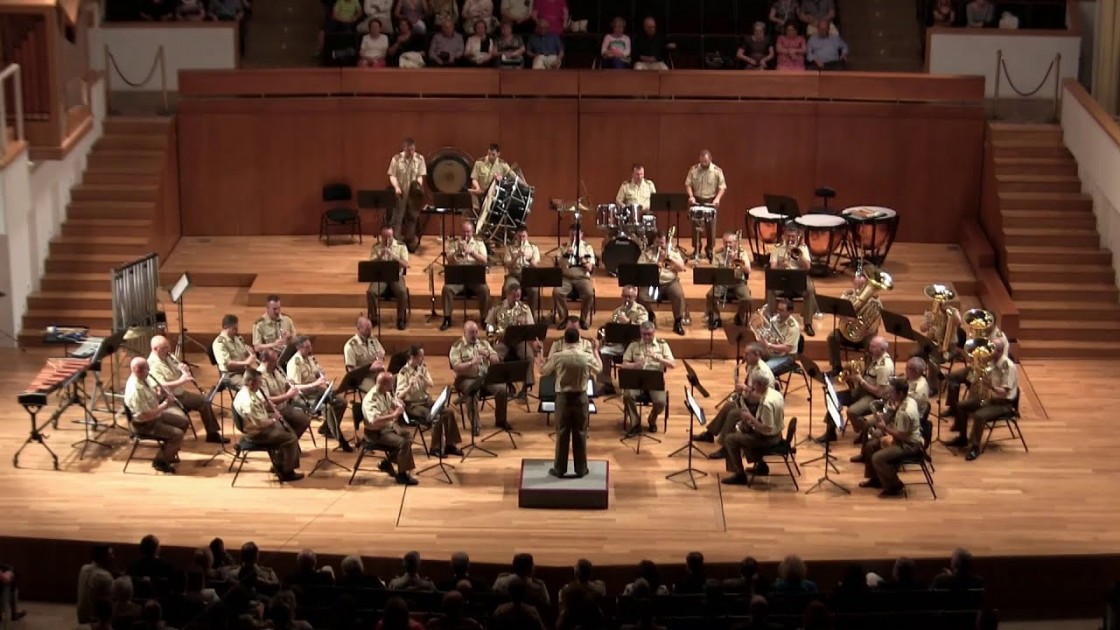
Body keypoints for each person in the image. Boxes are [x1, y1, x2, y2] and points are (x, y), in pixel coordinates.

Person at [694, 343, 774, 458]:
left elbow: (762, 397)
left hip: (760, 407)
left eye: (747, 354)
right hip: (751, 400)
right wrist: (744, 390)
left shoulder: (762, 372)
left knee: (733, 414)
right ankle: (709, 434)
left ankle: (726, 448)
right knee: (728, 406)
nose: (743, 356)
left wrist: (745, 389)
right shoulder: (752, 365)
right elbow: (753, 388)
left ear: (756, 354)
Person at [540, 328, 602, 477]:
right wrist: (595, 350)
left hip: (563, 398)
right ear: (578, 339)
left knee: (562, 433)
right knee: (580, 433)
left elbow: (544, 371)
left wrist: (539, 353)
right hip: (581, 397)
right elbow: (599, 369)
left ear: (565, 340)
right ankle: (581, 469)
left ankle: (560, 469)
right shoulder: (586, 356)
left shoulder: (558, 356)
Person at [147, 335, 226, 443]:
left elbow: (177, 372)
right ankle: (172, 444)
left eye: (168, 347)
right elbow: (161, 386)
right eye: (165, 348)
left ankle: (212, 434)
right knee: (181, 418)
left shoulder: (167, 357)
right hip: (168, 400)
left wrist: (183, 369)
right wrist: (182, 380)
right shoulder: (152, 364)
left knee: (204, 402)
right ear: (155, 349)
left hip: (180, 394)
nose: (168, 350)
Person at [816, 336, 893, 444]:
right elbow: (868, 376)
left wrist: (861, 381)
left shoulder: (885, 367)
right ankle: (830, 432)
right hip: (863, 391)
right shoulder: (873, 357)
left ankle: (867, 431)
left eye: (873, 347)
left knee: (852, 411)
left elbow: (879, 392)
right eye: (870, 345)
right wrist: (852, 377)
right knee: (833, 398)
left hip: (874, 398)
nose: (869, 348)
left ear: (882, 349)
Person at [951, 337, 1018, 461]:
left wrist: (990, 386)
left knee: (979, 415)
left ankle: (974, 447)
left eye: (990, 349)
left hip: (1003, 403)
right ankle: (962, 438)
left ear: (999, 351)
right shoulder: (989, 362)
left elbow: (1004, 393)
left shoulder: (1008, 366)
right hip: (988, 398)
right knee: (960, 406)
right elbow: (974, 378)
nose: (987, 352)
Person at [233, 369, 305, 481]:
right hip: (257, 434)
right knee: (291, 438)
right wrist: (274, 419)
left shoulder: (244, 391)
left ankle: (279, 464)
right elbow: (261, 424)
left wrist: (265, 405)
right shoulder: (249, 402)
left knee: (287, 428)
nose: (261, 384)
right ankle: (287, 472)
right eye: (259, 382)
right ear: (251, 383)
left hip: (256, 426)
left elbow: (257, 412)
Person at [856, 378, 923, 497]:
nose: (889, 394)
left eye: (892, 392)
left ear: (900, 393)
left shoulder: (905, 411)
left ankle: (895, 487)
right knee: (870, 446)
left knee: (878, 458)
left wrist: (884, 428)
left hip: (908, 445)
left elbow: (901, 435)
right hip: (902, 439)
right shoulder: (906, 400)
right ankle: (876, 480)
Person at [124, 357, 191, 473]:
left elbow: (151, 398)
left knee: (184, 421)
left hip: (155, 415)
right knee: (177, 434)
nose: (149, 372)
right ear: (138, 371)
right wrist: (166, 404)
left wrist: (159, 395)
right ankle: (160, 462)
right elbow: (146, 415)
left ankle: (169, 452)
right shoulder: (135, 390)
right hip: (144, 424)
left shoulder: (143, 379)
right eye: (147, 370)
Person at [396, 345, 463, 457]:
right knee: (435, 416)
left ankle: (450, 445)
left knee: (448, 412)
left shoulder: (422, 367)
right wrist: (409, 386)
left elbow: (431, 384)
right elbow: (399, 396)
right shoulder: (403, 372)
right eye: (420, 356)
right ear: (412, 357)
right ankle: (435, 448)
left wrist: (423, 378)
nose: (423, 359)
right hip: (413, 406)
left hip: (426, 401)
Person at [722, 371, 785, 484]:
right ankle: (761, 466)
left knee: (730, 439)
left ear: (760, 384)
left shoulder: (767, 403)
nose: (752, 387)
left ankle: (739, 475)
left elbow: (767, 429)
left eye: (754, 385)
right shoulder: (775, 393)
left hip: (768, 439)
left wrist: (751, 418)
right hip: (778, 433)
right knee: (744, 430)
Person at [287, 335, 350, 448]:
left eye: (310, 346)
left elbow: (315, 372)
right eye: (307, 347)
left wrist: (319, 374)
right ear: (299, 348)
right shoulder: (294, 363)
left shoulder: (309, 357)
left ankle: (326, 428)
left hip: (315, 391)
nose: (310, 349)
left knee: (341, 402)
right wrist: (315, 383)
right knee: (328, 407)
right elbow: (295, 387)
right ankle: (339, 438)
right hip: (303, 396)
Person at [449, 321, 507, 435]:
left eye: (476, 332)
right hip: (466, 378)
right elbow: (456, 367)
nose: (474, 335)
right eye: (471, 332)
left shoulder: (483, 343)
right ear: (464, 333)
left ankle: (501, 420)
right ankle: (475, 425)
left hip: (485, 376)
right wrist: (471, 363)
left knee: (502, 389)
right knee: (472, 392)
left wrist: (487, 354)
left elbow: (496, 360)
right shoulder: (457, 346)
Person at [361, 372, 419, 485]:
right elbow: (375, 421)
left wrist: (398, 404)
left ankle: (386, 463)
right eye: (391, 385)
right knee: (403, 443)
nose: (392, 387)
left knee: (408, 436)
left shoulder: (384, 393)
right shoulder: (371, 400)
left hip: (387, 427)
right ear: (383, 385)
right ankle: (401, 475)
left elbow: (391, 403)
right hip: (375, 433)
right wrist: (393, 415)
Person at [485, 282, 539, 394]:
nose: (516, 299)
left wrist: (526, 329)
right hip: (502, 340)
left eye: (518, 296)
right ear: (508, 295)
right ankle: (507, 383)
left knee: (529, 357)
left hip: (519, 341)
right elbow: (489, 325)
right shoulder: (497, 307)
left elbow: (531, 329)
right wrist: (492, 335)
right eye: (514, 296)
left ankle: (527, 386)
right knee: (495, 358)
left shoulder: (525, 309)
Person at [621, 321, 675, 433]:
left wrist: (658, 358)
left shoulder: (662, 344)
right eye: (644, 334)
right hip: (637, 378)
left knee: (661, 402)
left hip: (654, 380)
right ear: (640, 333)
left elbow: (672, 364)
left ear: (654, 332)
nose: (647, 337)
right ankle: (635, 422)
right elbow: (624, 364)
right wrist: (635, 365)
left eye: (649, 334)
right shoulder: (634, 345)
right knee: (627, 395)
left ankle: (652, 419)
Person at [765, 222, 818, 335]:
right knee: (770, 287)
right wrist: (781, 266)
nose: (790, 238)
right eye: (788, 236)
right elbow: (772, 268)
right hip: (782, 278)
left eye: (793, 236)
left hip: (798, 278)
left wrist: (799, 256)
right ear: (784, 235)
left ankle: (808, 323)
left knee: (810, 289)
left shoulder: (803, 248)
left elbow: (808, 267)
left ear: (797, 236)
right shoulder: (777, 248)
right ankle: (769, 320)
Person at [826, 272, 884, 374]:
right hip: (846, 331)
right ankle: (836, 367)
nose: (859, 288)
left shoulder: (875, 301)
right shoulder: (847, 296)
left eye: (862, 286)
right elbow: (837, 312)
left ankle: (868, 370)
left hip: (865, 334)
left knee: (871, 343)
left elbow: (876, 322)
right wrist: (846, 317)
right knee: (832, 336)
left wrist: (865, 329)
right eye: (857, 285)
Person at [440, 220, 490, 331]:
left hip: (474, 278)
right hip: (458, 278)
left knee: (485, 290)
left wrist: (472, 252)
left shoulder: (479, 244)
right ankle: (447, 318)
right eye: (463, 232)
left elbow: (484, 260)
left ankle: (484, 319)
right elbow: (449, 260)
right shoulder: (454, 243)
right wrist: (458, 251)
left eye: (468, 232)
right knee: (447, 289)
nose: (466, 234)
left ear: (472, 232)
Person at [635, 230, 688, 335]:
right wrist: (656, 263)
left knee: (678, 294)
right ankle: (649, 315)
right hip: (651, 282)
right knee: (641, 295)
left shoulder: (673, 252)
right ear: (654, 242)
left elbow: (682, 268)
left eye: (662, 243)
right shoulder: (647, 253)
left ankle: (678, 321)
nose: (659, 245)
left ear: (666, 243)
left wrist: (669, 259)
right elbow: (640, 268)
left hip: (669, 282)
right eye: (657, 242)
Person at [257, 348, 314, 440]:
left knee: (305, 420)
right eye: (273, 361)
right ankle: (285, 446)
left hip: (284, 407)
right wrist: (288, 395)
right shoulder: (259, 376)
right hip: (271, 412)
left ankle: (291, 444)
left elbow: (285, 385)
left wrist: (289, 385)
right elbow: (267, 400)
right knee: (287, 431)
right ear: (265, 361)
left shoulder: (276, 370)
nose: (276, 364)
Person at [551, 223, 596, 330]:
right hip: (566, 277)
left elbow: (591, 268)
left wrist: (583, 261)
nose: (574, 237)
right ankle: (564, 319)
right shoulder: (563, 247)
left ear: (581, 235)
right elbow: (557, 265)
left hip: (582, 277)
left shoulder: (587, 248)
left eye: (576, 235)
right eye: (572, 235)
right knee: (557, 292)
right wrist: (565, 255)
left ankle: (583, 319)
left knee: (589, 293)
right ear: (569, 234)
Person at [685, 150, 727, 261]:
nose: (704, 164)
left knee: (711, 228)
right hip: (697, 200)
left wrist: (717, 198)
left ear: (710, 159)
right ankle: (697, 249)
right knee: (696, 227)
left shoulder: (717, 171)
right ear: (699, 159)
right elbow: (688, 184)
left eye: (706, 162)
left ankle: (709, 250)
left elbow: (722, 186)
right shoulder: (693, 170)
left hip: (710, 201)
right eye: (702, 162)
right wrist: (691, 196)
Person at [367, 226, 411, 329]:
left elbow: (406, 264)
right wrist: (380, 256)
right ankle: (373, 318)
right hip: (381, 277)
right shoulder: (376, 247)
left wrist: (394, 256)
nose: (388, 240)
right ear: (381, 236)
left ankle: (401, 319)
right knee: (371, 292)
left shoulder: (401, 246)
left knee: (402, 292)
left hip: (396, 276)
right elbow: (370, 265)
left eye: (390, 237)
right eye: (385, 237)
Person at [706, 232, 752, 329]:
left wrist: (736, 259)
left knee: (747, 298)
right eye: (725, 242)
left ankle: (739, 316)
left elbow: (748, 270)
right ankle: (715, 318)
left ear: (735, 242)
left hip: (738, 282)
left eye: (730, 242)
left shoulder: (742, 253)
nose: (728, 245)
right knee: (710, 295)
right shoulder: (718, 254)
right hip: (722, 282)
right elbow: (714, 270)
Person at [388, 137, 427, 247]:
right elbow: (392, 175)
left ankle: (409, 241)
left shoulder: (420, 159)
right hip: (401, 191)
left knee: (412, 217)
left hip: (413, 193)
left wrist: (417, 186)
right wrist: (396, 187)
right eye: (408, 150)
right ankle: (395, 242)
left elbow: (420, 175)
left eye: (413, 149)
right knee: (398, 217)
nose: (411, 152)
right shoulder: (396, 159)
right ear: (404, 148)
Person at [343, 316, 387, 395]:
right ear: (358, 328)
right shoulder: (350, 346)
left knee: (390, 384)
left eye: (370, 329)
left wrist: (380, 359)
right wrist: (369, 368)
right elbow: (351, 371)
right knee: (377, 392)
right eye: (367, 330)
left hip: (376, 373)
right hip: (362, 377)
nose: (370, 332)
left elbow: (381, 353)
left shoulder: (372, 339)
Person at [502, 225, 542, 304]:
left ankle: (531, 315)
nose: (522, 239)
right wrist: (516, 257)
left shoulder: (533, 247)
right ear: (516, 236)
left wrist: (528, 260)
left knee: (534, 291)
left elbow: (535, 265)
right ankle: (510, 314)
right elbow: (507, 265)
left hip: (528, 275)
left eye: (523, 236)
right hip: (514, 274)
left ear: (527, 236)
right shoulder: (510, 248)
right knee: (509, 289)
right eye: (519, 236)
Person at [77, 544, 114, 624]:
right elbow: (112, 600)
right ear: (103, 558)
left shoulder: (83, 569)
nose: (113, 557)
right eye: (110, 555)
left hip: (82, 617)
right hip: (96, 621)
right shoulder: (105, 576)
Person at [469, 143, 511, 214]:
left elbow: (512, 177)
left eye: (493, 154)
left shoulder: (503, 164)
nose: (490, 156)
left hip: (494, 197)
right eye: (489, 153)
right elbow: (474, 178)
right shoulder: (479, 162)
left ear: (498, 154)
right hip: (480, 193)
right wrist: (477, 187)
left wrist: (503, 178)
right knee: (471, 194)